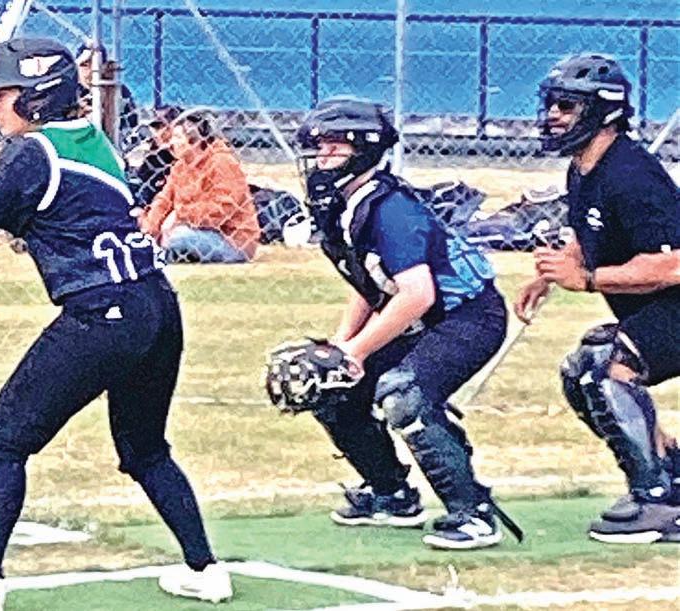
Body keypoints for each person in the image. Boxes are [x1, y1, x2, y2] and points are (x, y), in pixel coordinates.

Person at [0, 37, 232, 608]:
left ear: (35, 97)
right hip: (156, 305)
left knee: (2, 439)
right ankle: (205, 570)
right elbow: (26, 185)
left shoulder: (31, 154)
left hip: (102, 313)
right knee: (144, 449)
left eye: (4, 95)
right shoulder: (88, 139)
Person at [291, 97, 517, 549]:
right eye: (319, 144)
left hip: (469, 317)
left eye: (335, 143)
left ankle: (473, 513)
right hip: (427, 316)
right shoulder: (346, 204)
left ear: (365, 148)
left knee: (405, 393)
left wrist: (357, 351)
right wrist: (342, 345)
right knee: (326, 382)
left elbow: (418, 294)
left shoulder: (392, 208)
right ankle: (391, 493)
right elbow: (367, 281)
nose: (322, 154)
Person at [516, 53, 680, 544]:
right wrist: (553, 273)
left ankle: (657, 503)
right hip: (659, 309)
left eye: (566, 106)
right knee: (581, 372)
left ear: (603, 111)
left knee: (609, 368)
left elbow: (673, 264)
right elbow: (592, 230)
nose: (553, 115)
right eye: (551, 104)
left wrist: (586, 279)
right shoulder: (584, 168)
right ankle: (670, 473)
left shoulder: (632, 175)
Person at [139, 111, 260, 263]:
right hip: (192, 230)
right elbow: (163, 201)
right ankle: (159, 251)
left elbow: (222, 210)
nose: (171, 143)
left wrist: (180, 215)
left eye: (177, 137)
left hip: (231, 241)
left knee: (180, 237)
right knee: (154, 230)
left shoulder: (222, 162)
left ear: (194, 141)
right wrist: (148, 230)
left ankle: (163, 252)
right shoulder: (180, 166)